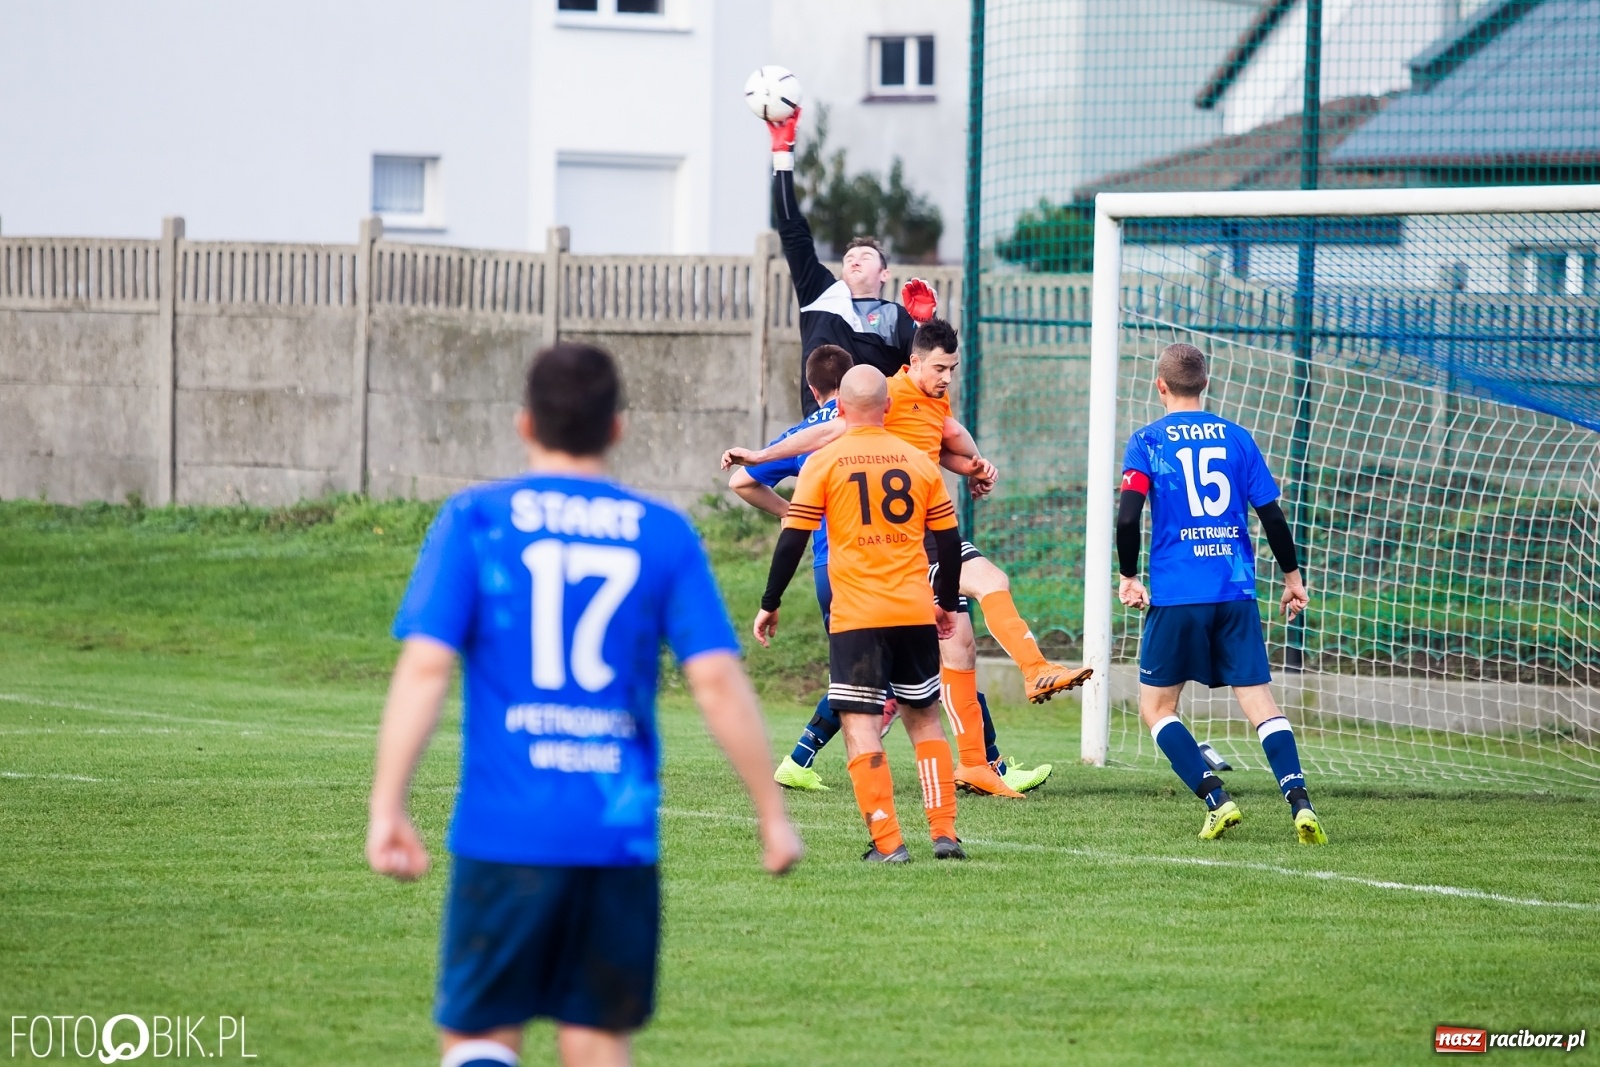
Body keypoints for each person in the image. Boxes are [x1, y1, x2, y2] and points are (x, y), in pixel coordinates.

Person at [367, 342, 804, 1067]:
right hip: (615, 835)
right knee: (599, 1042)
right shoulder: (661, 532)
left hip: (502, 835)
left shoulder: (475, 519)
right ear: (617, 428)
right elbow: (719, 682)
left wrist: (387, 807)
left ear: (524, 424)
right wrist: (771, 814)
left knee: (480, 1037)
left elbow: (424, 668)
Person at [723, 320, 1092, 798]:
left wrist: (977, 468)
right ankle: (1029, 677)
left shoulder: (934, 401)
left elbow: (947, 441)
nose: (947, 377)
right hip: (899, 547)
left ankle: (981, 760)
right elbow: (821, 433)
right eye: (939, 367)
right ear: (913, 362)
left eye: (953, 369)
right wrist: (759, 454)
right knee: (892, 674)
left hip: (925, 535)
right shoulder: (884, 396)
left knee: (960, 641)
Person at [1116, 342, 1327, 844]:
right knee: (1260, 702)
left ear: (1160, 385)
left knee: (1157, 708)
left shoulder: (1147, 441)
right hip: (1234, 590)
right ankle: (1300, 803)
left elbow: (1128, 516)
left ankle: (1217, 798)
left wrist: (1128, 576)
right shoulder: (1237, 438)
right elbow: (1271, 516)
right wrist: (1292, 578)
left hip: (1177, 592)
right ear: (1205, 384)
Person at [755, 364, 966, 862]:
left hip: (857, 614)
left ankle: (888, 842)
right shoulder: (918, 461)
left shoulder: (823, 463)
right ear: (888, 408)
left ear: (840, 409)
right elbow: (950, 544)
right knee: (925, 720)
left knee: (860, 723)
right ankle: (945, 833)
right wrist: (946, 603)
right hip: (913, 609)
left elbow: (793, 539)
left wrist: (770, 603)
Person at [765, 106, 934, 417]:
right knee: (753, 465)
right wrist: (782, 155)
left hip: (875, 432)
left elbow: (931, 372)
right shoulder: (820, 293)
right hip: (821, 432)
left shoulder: (896, 317)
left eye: (866, 256)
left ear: (885, 274)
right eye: (849, 257)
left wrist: (926, 326)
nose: (855, 259)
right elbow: (792, 231)